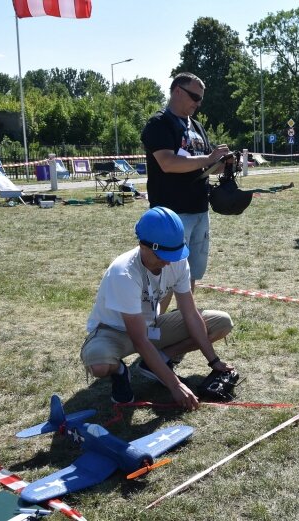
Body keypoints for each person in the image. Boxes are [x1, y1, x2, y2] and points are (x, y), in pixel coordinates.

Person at [80, 207, 237, 407]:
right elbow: (139, 340)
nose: (167, 261)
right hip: (113, 332)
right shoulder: (124, 274)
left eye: (172, 254)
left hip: (150, 326)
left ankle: (159, 361)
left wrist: (214, 361)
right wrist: (175, 385)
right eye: (161, 255)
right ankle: (120, 372)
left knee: (221, 323)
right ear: (142, 245)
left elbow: (189, 313)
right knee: (99, 365)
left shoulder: (176, 259)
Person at [141, 72, 232, 309]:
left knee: (188, 275)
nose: (198, 103)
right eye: (194, 97)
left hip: (199, 210)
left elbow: (204, 165)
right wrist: (209, 158)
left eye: (201, 99)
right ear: (177, 91)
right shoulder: (159, 123)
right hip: (171, 215)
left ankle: (182, 323)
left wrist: (222, 164)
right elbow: (167, 163)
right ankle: (155, 326)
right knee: (167, 277)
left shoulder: (197, 126)